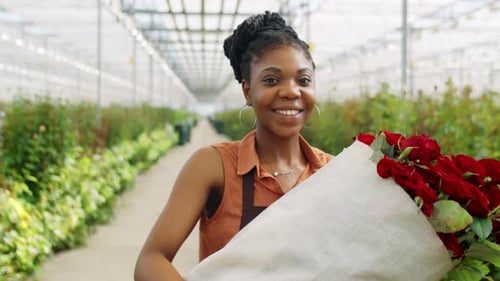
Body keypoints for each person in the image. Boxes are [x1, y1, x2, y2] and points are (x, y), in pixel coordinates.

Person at [134, 11, 332, 281]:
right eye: (272, 80)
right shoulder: (213, 166)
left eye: (303, 80)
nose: (291, 91)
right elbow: (151, 260)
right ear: (247, 91)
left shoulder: (332, 172)